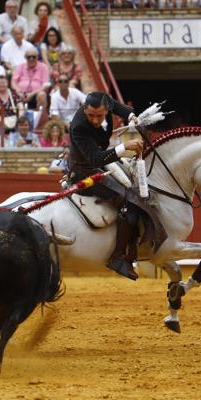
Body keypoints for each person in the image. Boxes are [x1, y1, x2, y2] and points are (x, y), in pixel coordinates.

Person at [68, 92, 143, 280]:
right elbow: (95, 159)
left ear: (105, 109)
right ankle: (117, 257)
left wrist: (131, 116)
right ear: (84, 109)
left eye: (99, 116)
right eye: (90, 115)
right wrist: (125, 146)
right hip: (85, 171)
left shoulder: (106, 102)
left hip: (102, 161)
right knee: (128, 201)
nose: (94, 120)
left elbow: (118, 107)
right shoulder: (78, 127)